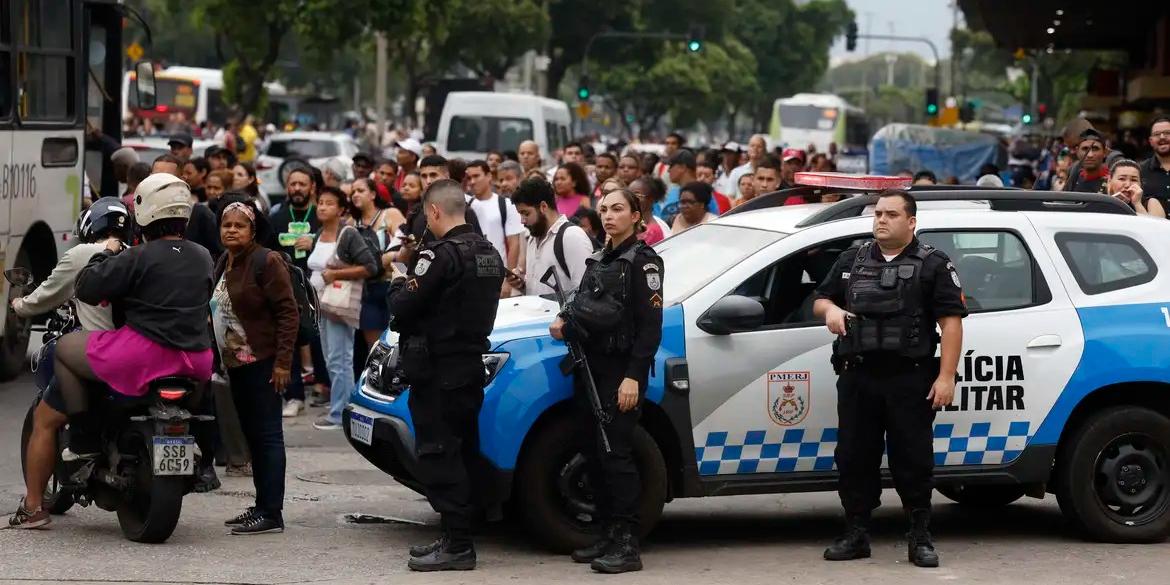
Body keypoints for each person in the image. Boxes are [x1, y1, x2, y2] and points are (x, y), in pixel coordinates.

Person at [813, 190, 966, 568]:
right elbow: (818, 299)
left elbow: (951, 323)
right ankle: (857, 533)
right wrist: (830, 309)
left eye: (891, 214)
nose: (881, 219)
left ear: (911, 222)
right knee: (853, 457)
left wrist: (946, 377)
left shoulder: (933, 264)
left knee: (913, 460)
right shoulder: (853, 258)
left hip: (909, 378)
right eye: (878, 213)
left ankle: (919, 536)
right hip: (857, 376)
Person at [58, 174, 216, 462]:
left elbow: (88, 288)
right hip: (197, 359)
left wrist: (104, 255)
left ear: (143, 213)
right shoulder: (203, 255)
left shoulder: (137, 256)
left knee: (63, 349)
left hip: (144, 355)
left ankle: (84, 439)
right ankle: (200, 451)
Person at [388, 179, 504, 571]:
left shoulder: (438, 256)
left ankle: (458, 545)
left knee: (440, 455)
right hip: (469, 366)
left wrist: (399, 280)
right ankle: (458, 535)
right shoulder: (489, 252)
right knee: (463, 451)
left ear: (434, 211)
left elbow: (403, 307)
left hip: (438, 369)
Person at [550, 188, 663, 574]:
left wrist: (633, 377)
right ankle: (607, 533)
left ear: (636, 215)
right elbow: (584, 302)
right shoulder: (600, 258)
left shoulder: (643, 262)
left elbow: (650, 329)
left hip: (620, 371)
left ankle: (628, 544)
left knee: (617, 455)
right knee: (593, 452)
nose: (609, 216)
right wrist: (565, 321)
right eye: (604, 210)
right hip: (589, 368)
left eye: (618, 209)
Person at [7, 198, 129, 528]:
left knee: (45, 419)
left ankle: (33, 508)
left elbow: (46, 295)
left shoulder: (81, 255)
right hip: (136, 354)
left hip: (96, 353)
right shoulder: (136, 255)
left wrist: (19, 305)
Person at [213, 200, 299, 535]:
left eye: (239, 225)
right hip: (235, 366)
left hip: (262, 363)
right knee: (253, 437)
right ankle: (261, 505)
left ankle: (271, 512)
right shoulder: (225, 260)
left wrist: (282, 363)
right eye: (226, 225)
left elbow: (288, 314)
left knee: (267, 438)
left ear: (253, 230)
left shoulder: (267, 260)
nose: (231, 230)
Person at [305, 187, 378, 430]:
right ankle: (341, 405)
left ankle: (341, 413)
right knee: (331, 358)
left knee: (340, 358)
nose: (323, 207)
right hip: (320, 304)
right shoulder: (318, 234)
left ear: (341, 209)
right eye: (321, 202)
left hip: (339, 304)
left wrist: (335, 273)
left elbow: (370, 266)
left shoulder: (348, 234)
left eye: (329, 203)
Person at [508, 178, 593, 296]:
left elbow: (586, 292)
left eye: (526, 213)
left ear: (543, 206)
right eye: (520, 214)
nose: (522, 221)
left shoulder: (572, 236)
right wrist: (522, 285)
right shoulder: (533, 238)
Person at [351, 177, 406, 346]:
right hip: (367, 289)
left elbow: (407, 244)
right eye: (352, 192)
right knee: (375, 348)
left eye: (360, 191)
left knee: (397, 343)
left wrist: (390, 258)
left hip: (393, 285)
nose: (355, 195)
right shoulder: (351, 224)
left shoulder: (390, 214)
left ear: (373, 194)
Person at [466, 161, 524, 296]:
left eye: (476, 176)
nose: (472, 181)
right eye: (469, 178)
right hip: (473, 277)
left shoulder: (505, 204)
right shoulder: (465, 206)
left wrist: (507, 280)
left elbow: (514, 243)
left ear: (489, 176)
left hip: (498, 274)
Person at [1140, 116, 1170, 216]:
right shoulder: (1140, 171)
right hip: (1154, 231)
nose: (1162, 137)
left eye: (1167, 133)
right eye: (1157, 134)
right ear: (1151, 141)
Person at [631, 177, 671, 244]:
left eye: (636, 195)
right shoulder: (631, 224)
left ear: (651, 199)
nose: (631, 199)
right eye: (628, 194)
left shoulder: (653, 232)